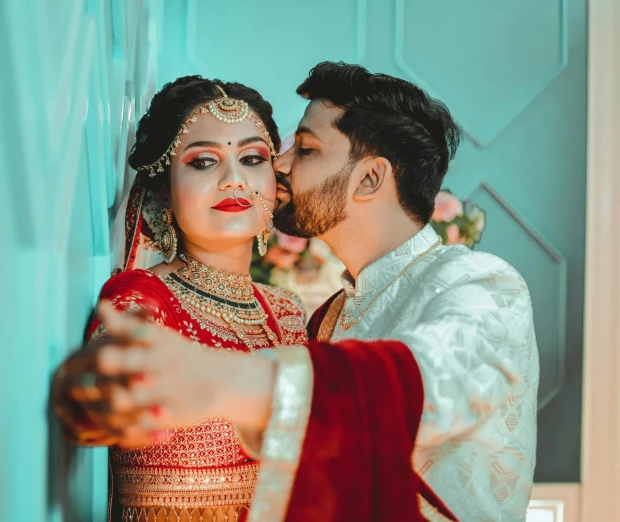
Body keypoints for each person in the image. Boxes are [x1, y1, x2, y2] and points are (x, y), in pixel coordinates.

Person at [57, 63, 540, 522]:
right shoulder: (328, 318)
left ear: (369, 178)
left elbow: (431, 387)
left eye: (304, 150)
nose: (279, 165)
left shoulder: (481, 287)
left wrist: (218, 380)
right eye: (206, 161)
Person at [53, 76, 310, 522]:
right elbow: (106, 381)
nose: (233, 180)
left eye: (252, 158)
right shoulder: (143, 300)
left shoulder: (287, 313)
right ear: (163, 193)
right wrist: (106, 397)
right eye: (204, 162)